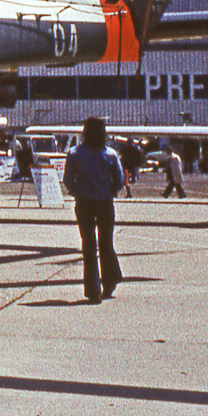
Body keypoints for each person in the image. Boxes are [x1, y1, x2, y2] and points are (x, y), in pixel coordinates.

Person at [62, 117, 125, 303]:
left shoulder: (74, 153)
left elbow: (67, 180)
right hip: (105, 203)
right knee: (106, 243)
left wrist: (76, 191)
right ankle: (110, 280)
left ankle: (93, 290)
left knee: (89, 246)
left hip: (84, 203)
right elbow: (120, 180)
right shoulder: (111, 154)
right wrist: (111, 191)